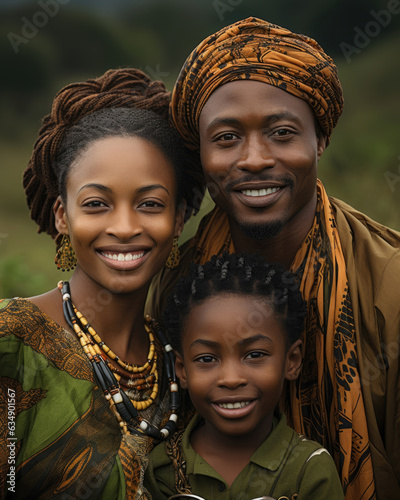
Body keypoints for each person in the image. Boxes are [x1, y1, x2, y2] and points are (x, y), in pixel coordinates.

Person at [147, 17, 400, 500]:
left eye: (282, 132)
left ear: (320, 140)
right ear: (200, 154)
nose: (255, 158)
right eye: (225, 138)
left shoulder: (390, 286)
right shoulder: (175, 280)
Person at [0, 68, 204, 498]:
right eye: (97, 204)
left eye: (150, 204)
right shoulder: (11, 342)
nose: (125, 227)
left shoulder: (185, 364)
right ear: (61, 215)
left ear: (180, 217)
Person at [145, 253, 344, 499]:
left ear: (291, 361)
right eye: (207, 359)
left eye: (255, 355)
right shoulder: (160, 469)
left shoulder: (310, 469)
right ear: (182, 369)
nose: (230, 379)